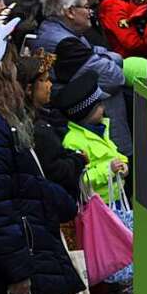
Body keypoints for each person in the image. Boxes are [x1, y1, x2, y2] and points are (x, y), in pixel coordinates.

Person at [0, 24, 83, 294]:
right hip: (19, 254)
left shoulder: (11, 123)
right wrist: (17, 268)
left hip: (26, 244)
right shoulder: (2, 127)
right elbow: (1, 204)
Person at [33, 0, 132, 161]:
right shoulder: (65, 43)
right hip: (92, 140)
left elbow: (101, 54)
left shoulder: (61, 33)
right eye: (86, 7)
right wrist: (109, 59)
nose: (90, 13)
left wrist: (102, 57)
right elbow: (113, 77)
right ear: (70, 11)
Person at [14, 49, 86, 201]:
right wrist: (78, 160)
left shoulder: (39, 119)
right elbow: (55, 171)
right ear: (28, 89)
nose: (50, 85)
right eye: (45, 80)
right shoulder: (35, 129)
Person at [58, 71, 128, 204]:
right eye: (99, 106)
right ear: (87, 113)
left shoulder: (100, 129)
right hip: (98, 208)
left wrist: (123, 164)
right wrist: (109, 170)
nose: (103, 107)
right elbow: (80, 179)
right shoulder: (72, 141)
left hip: (116, 199)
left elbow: (111, 153)